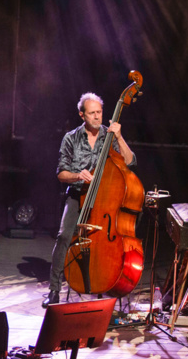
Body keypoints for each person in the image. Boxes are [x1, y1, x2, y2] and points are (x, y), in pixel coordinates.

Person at [44, 92, 136, 308]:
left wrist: (120, 136)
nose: (97, 116)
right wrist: (78, 175)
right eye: (92, 113)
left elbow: (130, 162)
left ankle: (103, 284)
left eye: (99, 112)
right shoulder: (71, 138)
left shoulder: (110, 135)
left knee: (105, 241)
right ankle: (54, 290)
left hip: (105, 200)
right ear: (82, 115)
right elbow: (61, 173)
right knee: (64, 236)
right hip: (77, 195)